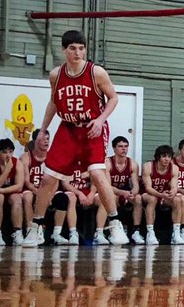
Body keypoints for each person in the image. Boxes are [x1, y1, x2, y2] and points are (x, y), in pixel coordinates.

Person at [22, 30, 129, 248]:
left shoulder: (96, 72)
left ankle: (115, 223)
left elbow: (113, 98)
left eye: (81, 48)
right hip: (68, 128)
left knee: (97, 174)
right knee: (48, 178)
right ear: (64, 50)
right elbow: (54, 102)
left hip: (92, 127)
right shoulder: (56, 75)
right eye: (72, 48)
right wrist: (43, 129)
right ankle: (35, 227)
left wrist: (100, 119)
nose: (77, 53)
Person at [0, 138, 25, 246]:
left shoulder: (17, 163)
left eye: (10, 152)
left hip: (8, 191)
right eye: (5, 152)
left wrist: (2, 190)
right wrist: (7, 171)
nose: (8, 155)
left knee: (17, 198)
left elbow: (19, 186)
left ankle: (18, 232)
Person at [142, 144, 184, 245]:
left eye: (169, 156)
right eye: (164, 156)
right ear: (158, 157)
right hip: (147, 194)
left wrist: (172, 192)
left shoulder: (174, 168)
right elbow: (148, 188)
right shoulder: (148, 166)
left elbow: (174, 187)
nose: (167, 159)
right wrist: (161, 195)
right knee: (152, 199)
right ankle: (150, 233)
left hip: (163, 195)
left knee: (177, 200)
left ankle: (176, 233)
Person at [107, 136, 142, 242]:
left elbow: (136, 185)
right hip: (112, 192)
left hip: (125, 192)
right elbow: (107, 186)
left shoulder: (133, 164)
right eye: (120, 146)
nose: (124, 149)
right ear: (114, 148)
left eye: (126, 146)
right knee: (112, 198)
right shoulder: (107, 163)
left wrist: (133, 192)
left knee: (138, 198)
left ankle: (136, 231)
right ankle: (112, 230)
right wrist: (122, 192)